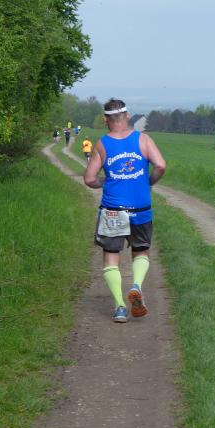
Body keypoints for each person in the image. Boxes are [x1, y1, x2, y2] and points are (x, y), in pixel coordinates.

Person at [83, 98, 166, 323]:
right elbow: (161, 165)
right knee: (141, 250)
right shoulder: (143, 140)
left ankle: (120, 307)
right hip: (141, 207)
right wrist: (149, 182)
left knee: (111, 256)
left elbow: (89, 179)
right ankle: (136, 285)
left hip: (112, 209)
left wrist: (105, 182)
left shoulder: (102, 144)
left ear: (106, 120)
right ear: (127, 116)